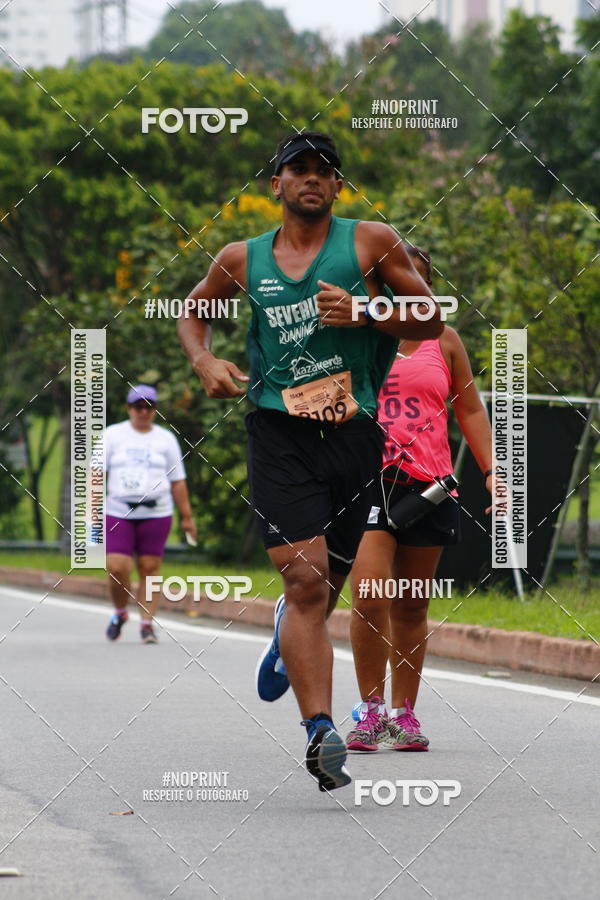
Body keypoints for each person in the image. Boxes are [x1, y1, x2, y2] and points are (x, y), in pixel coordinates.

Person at [177, 132, 442, 792]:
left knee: (326, 587)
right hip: (279, 433)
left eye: (324, 170)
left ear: (338, 185)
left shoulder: (371, 242)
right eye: (299, 169)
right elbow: (192, 312)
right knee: (305, 580)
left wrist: (366, 310)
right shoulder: (242, 257)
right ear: (277, 184)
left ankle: (288, 634)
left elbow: (430, 317)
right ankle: (320, 732)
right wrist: (204, 360)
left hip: (353, 438)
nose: (312, 178)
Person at [344, 246, 493, 753]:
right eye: (393, 279)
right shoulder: (355, 335)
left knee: (411, 605)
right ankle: (369, 713)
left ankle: (403, 714)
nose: (406, 286)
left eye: (416, 279)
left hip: (429, 488)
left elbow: (469, 409)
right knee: (369, 595)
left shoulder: (444, 340)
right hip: (368, 481)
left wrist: (494, 471)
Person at [104, 384, 197, 644]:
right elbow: (96, 474)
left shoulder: (165, 439)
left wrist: (187, 517)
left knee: (149, 568)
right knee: (117, 567)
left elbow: (178, 480)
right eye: (138, 407)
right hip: (119, 511)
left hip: (156, 512)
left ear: (155, 410)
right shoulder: (112, 435)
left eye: (149, 407)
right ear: (129, 408)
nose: (143, 412)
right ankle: (120, 611)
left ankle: (146, 624)